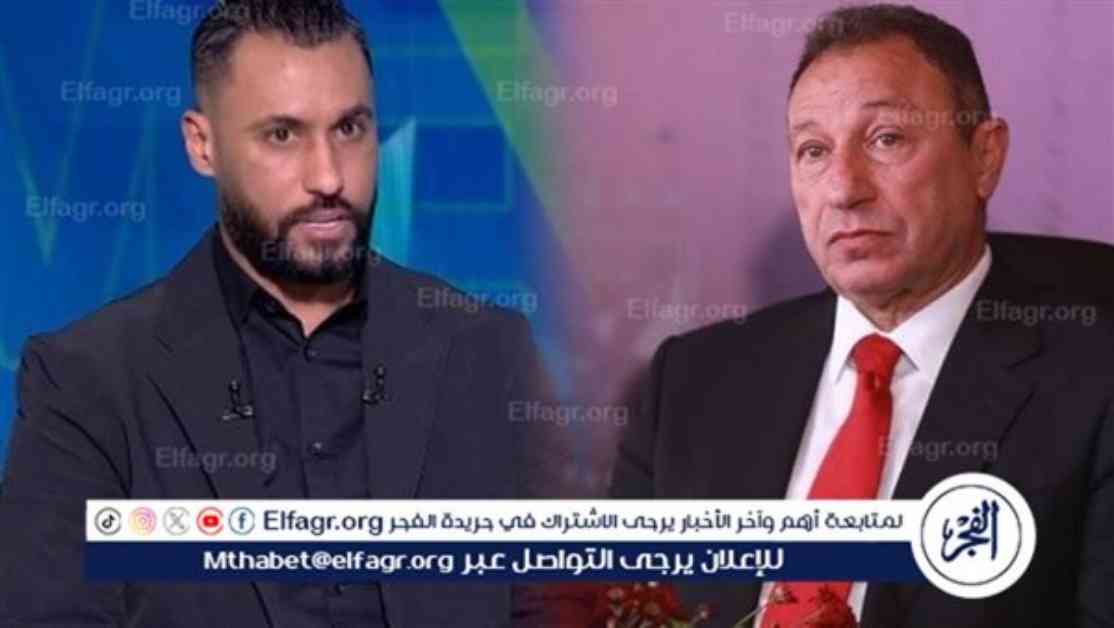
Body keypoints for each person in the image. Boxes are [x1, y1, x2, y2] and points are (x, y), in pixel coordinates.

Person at [0, 1, 548, 626]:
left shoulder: (489, 353)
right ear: (202, 145)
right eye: (282, 135)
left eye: (349, 129)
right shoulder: (87, 383)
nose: (328, 177)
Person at [611, 4, 1114, 627]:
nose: (844, 188)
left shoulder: (1091, 381)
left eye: (886, 139)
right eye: (813, 150)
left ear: (984, 156)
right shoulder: (690, 383)